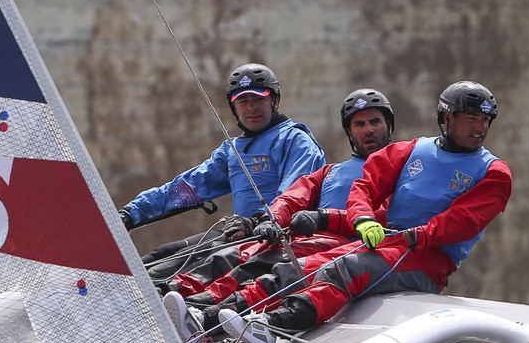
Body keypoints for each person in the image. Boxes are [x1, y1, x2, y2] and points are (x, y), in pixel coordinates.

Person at [218, 80, 510, 343]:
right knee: (296, 268)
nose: (480, 127)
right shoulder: (412, 149)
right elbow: (365, 186)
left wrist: (417, 235)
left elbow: (464, 221)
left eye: (485, 120)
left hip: (428, 259)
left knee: (347, 268)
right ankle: (211, 320)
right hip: (387, 242)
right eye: (471, 118)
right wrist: (363, 219)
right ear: (446, 118)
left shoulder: (494, 172)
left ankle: (272, 326)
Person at [165, 88, 396, 327]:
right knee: (237, 253)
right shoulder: (331, 171)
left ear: (389, 126)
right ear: (349, 131)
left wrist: (323, 218)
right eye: (359, 124)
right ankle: (174, 295)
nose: (368, 130)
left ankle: (204, 315)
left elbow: (392, 215)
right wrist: (269, 219)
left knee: (267, 261)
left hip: (347, 246)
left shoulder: (400, 172)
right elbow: (293, 197)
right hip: (305, 238)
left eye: (375, 122)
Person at [119, 62, 325, 233]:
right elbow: (190, 185)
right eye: (243, 101)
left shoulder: (295, 140)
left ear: (275, 101)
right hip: (242, 237)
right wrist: (133, 212)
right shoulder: (231, 150)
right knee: (157, 260)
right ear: (233, 107)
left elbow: (295, 194)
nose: (251, 108)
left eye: (258, 100)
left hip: (282, 240)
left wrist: (259, 221)